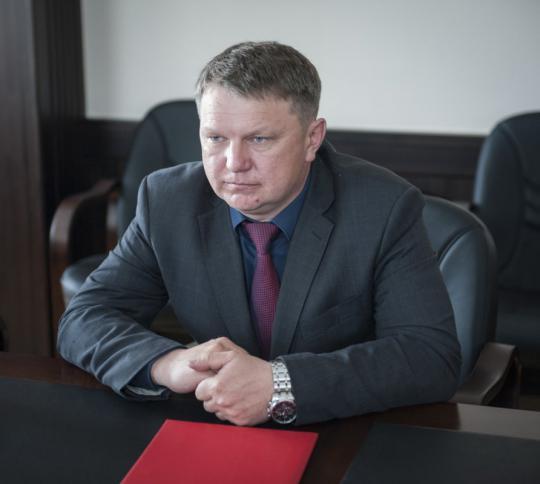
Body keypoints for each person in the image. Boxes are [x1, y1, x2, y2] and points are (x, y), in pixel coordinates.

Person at [57, 41, 461, 426]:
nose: (234, 163)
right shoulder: (168, 201)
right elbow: (84, 318)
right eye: (215, 138)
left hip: (345, 431)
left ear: (312, 139)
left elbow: (429, 356)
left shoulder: (383, 208)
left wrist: (281, 384)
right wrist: (168, 363)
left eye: (259, 139)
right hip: (216, 424)